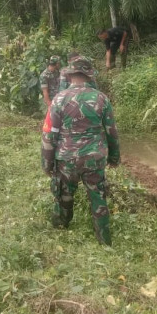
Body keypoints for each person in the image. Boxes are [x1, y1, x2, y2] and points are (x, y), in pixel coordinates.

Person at [41, 58, 120, 245]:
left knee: (64, 194)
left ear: (70, 76)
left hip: (66, 159)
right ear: (89, 76)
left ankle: (61, 230)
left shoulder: (59, 99)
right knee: (98, 197)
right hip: (94, 159)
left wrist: (47, 163)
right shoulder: (101, 98)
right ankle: (104, 240)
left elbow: (49, 135)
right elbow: (112, 132)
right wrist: (114, 158)